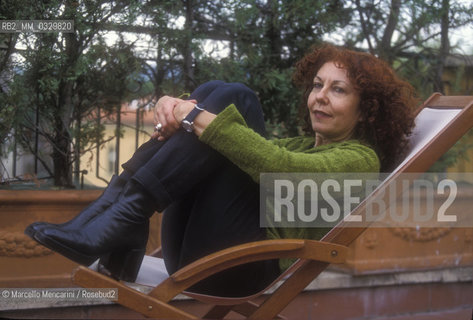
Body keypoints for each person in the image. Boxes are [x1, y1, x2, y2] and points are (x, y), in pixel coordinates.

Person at [25, 43, 417, 297]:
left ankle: (121, 216)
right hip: (204, 254)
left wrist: (189, 113)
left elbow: (278, 168)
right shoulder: (304, 144)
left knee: (238, 101)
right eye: (317, 85)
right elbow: (251, 150)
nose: (319, 97)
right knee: (219, 94)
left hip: (241, 269)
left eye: (338, 90)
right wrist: (183, 110)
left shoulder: (361, 160)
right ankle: (115, 212)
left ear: (366, 110)